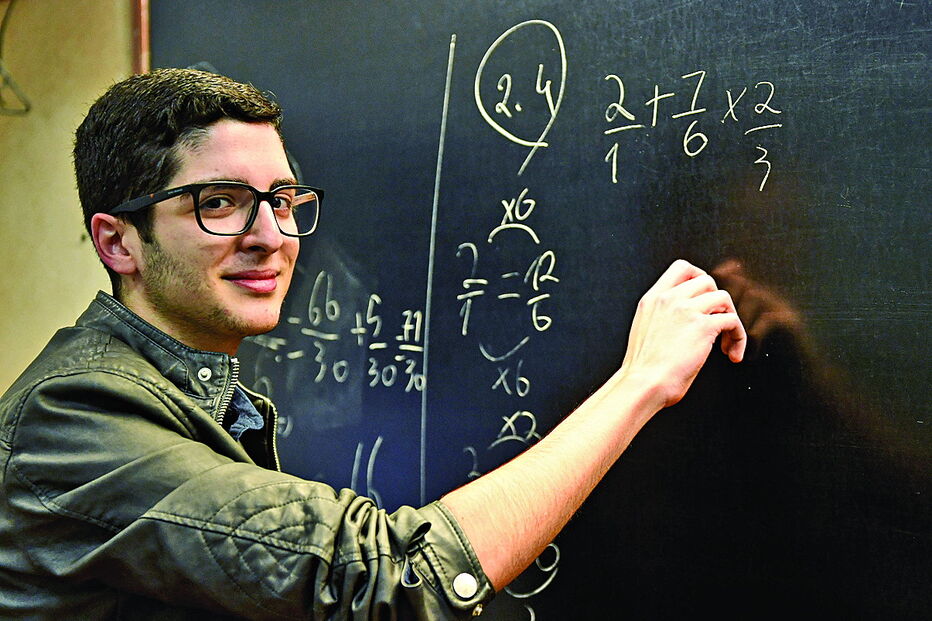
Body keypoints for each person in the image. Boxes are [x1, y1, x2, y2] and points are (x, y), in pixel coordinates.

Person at [0, 68, 745, 619]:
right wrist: (640, 379)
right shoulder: (74, 413)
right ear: (118, 242)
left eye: (283, 201)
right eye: (219, 202)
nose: (271, 237)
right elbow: (389, 578)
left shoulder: (196, 391)